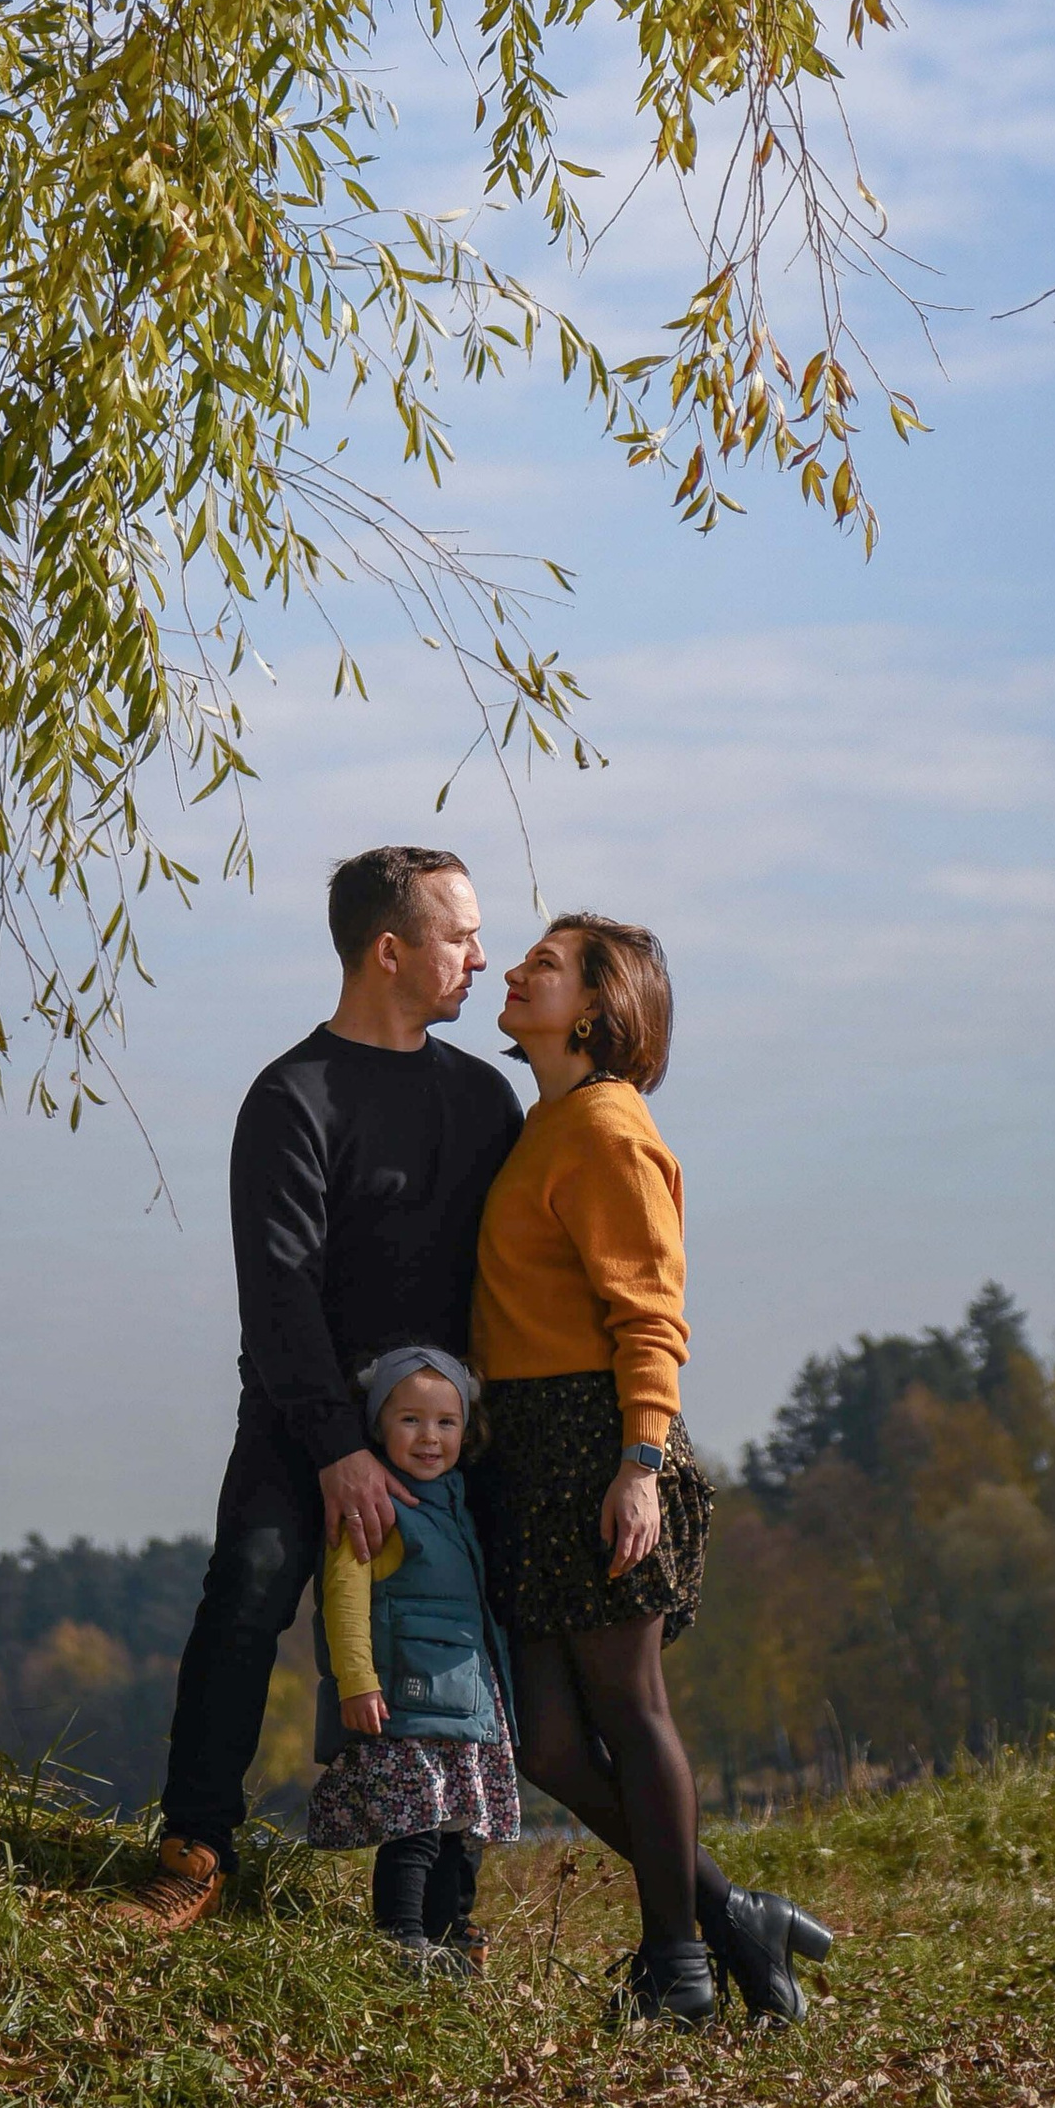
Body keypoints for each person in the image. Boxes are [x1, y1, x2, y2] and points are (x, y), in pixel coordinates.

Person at [118, 842, 524, 1936]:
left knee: (466, 1636)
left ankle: (441, 1910)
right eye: (459, 936)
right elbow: (278, 1290)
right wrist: (339, 1445)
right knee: (248, 1590)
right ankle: (196, 1847)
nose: (482, 957)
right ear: (389, 951)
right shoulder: (290, 1097)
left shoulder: (487, 1098)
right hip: (306, 1417)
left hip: (446, 1429)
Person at [471, 910, 834, 2029]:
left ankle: (677, 1960)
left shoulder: (608, 1127)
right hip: (530, 1450)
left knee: (630, 1709)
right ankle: (733, 1916)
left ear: (597, 1007)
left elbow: (650, 1313)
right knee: (546, 1741)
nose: (519, 968)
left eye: (546, 961)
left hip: (596, 1441)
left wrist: (635, 1460)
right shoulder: (548, 1124)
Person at [305, 1345, 520, 1968]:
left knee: (460, 1830)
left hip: (469, 1704)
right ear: (377, 1425)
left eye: (445, 1423)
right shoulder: (377, 1506)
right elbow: (344, 1599)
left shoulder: (460, 1504)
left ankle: (449, 1933)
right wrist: (357, 1681)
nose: (429, 1438)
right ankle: (400, 1937)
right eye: (410, 1421)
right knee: (415, 1828)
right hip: (405, 1700)